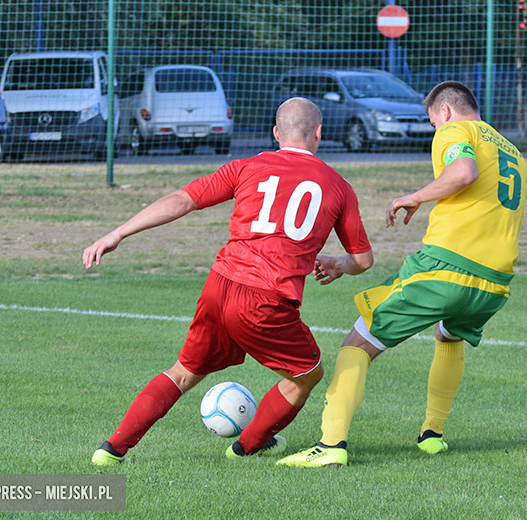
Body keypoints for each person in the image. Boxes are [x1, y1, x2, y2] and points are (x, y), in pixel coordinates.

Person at [84, 97, 373, 466]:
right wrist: (338, 264)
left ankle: (111, 450)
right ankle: (247, 446)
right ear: (319, 132)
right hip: (267, 298)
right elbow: (363, 260)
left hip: (219, 287)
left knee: (184, 372)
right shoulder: (338, 187)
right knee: (307, 374)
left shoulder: (247, 166)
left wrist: (119, 233)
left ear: (275, 133)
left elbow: (182, 200)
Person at [277, 81, 527, 468]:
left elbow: (463, 172)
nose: (435, 131)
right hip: (494, 282)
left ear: (444, 112)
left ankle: (329, 446)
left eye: (431, 123)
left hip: (447, 269)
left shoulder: (454, 130)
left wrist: (416, 196)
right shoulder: (511, 150)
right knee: (449, 336)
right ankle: (432, 435)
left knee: (356, 345)